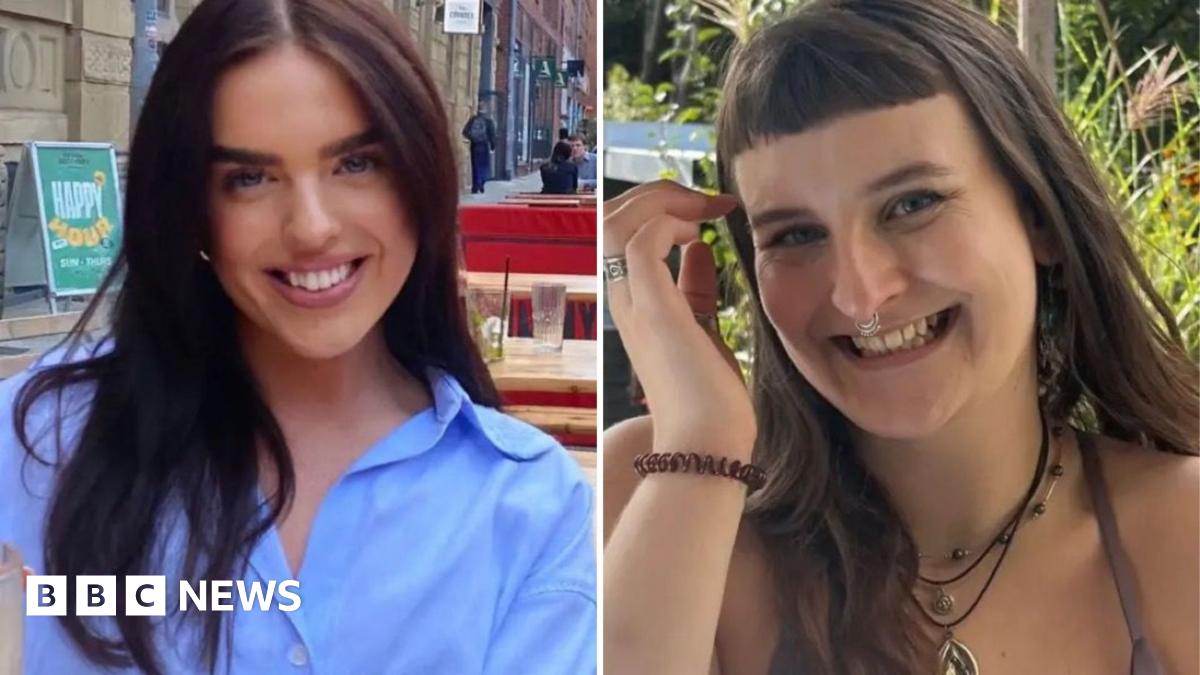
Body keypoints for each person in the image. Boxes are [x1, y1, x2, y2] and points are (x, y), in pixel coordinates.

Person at [0, 1, 595, 673]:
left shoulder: (530, 510)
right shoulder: (31, 445)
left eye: (356, 164)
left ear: (420, 173)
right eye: (249, 178)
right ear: (191, 208)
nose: (311, 227)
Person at [603, 1, 1197, 674]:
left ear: (1041, 218)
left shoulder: (1184, 529)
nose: (859, 295)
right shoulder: (656, 493)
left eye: (913, 203)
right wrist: (701, 448)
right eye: (796, 235)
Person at [462, 104, 496, 194]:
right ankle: (482, 183)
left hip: (474, 145)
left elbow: (465, 132)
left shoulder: (473, 119)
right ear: (485, 110)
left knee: (475, 166)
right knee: (484, 166)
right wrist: (493, 146)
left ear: (478, 110)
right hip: (484, 145)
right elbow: (492, 134)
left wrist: (472, 138)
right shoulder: (488, 121)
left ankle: (475, 187)